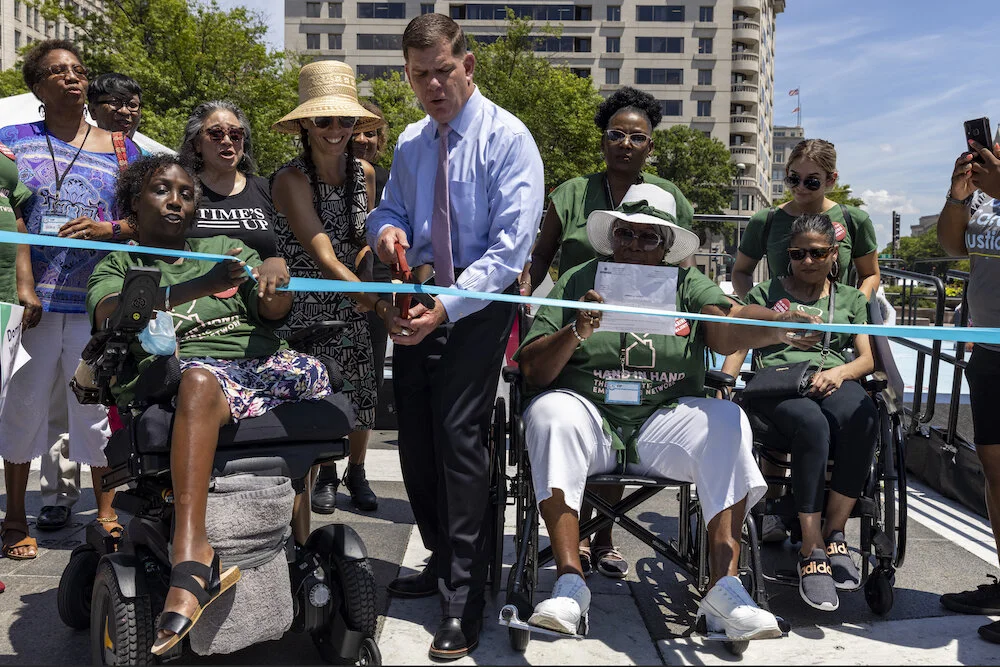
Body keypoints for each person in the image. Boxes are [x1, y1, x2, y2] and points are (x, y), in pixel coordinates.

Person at [516, 184, 818, 639]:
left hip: (662, 418)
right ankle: (569, 582)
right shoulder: (580, 277)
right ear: (612, 236)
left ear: (667, 247)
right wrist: (575, 330)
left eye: (649, 237)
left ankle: (725, 589)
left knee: (727, 418)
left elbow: (725, 326)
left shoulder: (686, 283)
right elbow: (534, 370)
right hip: (590, 415)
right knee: (549, 413)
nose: (634, 245)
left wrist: (775, 327)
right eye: (625, 234)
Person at [87, 154, 329, 654]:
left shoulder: (225, 247)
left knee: (298, 373)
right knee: (197, 381)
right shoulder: (119, 262)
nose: (177, 200)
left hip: (264, 369)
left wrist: (276, 276)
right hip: (182, 377)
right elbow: (114, 314)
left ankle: (290, 545)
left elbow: (270, 313)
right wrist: (201, 285)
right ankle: (192, 549)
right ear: (134, 203)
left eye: (186, 192)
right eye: (161, 190)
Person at [366, 14, 544, 659]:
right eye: (420, 76)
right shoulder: (412, 142)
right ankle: (443, 559)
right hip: (418, 298)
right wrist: (385, 232)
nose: (433, 85)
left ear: (468, 64)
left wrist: (446, 305)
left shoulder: (509, 139)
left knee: (460, 438)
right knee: (414, 438)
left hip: (478, 307)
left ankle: (466, 600)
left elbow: (508, 249)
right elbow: (389, 207)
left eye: (443, 70)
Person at [0, 40, 142, 558]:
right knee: (23, 406)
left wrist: (108, 228)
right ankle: (15, 519)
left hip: (95, 302)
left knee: (97, 410)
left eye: (79, 70)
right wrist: (22, 285)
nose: (73, 78)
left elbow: (145, 217)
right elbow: (8, 215)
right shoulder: (10, 143)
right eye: (58, 72)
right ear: (37, 86)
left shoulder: (124, 148)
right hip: (32, 303)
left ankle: (105, 514)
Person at [722, 213, 877, 612]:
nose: (807, 261)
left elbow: (867, 358)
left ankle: (835, 532)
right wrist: (723, 385)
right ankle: (812, 549)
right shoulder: (764, 293)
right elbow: (739, 342)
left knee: (863, 416)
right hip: (779, 385)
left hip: (834, 378)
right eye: (797, 254)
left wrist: (840, 372)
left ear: (834, 253)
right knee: (812, 423)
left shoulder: (851, 299)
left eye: (817, 253)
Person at [731, 138, 879, 543]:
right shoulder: (768, 220)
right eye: (791, 178)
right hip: (781, 338)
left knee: (857, 416)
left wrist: (847, 314)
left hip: (836, 336)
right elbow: (742, 271)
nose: (799, 187)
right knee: (800, 418)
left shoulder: (854, 220)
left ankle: (831, 533)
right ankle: (779, 511)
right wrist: (761, 313)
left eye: (810, 181)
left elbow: (870, 273)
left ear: (831, 179)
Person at [271, 60, 390, 514]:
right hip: (307, 304)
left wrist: (372, 270)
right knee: (316, 391)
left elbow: (363, 240)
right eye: (324, 120)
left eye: (346, 119)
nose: (336, 129)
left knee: (363, 389)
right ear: (305, 124)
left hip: (356, 298)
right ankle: (323, 472)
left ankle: (355, 471)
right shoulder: (290, 178)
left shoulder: (366, 172)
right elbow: (322, 254)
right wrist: (375, 302)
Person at [935, 139, 1000, 645]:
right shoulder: (983, 194)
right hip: (989, 348)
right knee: (995, 472)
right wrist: (960, 195)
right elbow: (952, 247)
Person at [87, 72, 143, 141]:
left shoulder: (141, 152)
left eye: (132, 105)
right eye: (115, 103)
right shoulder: (75, 150)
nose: (124, 111)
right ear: (93, 111)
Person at [353, 100, 390, 205]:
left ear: (379, 140)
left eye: (369, 134)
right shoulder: (327, 177)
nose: (361, 139)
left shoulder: (389, 181)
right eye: (355, 132)